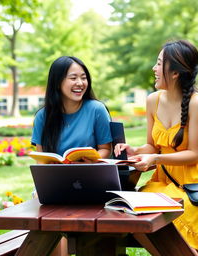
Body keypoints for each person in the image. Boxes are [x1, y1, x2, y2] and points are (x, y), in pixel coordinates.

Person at [115, 39, 198, 255]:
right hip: (163, 181)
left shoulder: (197, 103)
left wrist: (157, 159)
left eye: (159, 63)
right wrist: (135, 150)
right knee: (140, 216)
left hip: (196, 184)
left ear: (175, 72)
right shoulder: (153, 100)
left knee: (172, 228)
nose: (154, 68)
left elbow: (194, 155)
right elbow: (152, 146)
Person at [31, 56, 113, 256]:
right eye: (73, 78)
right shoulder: (43, 116)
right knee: (44, 217)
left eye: (83, 77)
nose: (80, 83)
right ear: (58, 82)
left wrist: (93, 158)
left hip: (91, 180)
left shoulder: (96, 109)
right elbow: (41, 157)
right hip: (55, 183)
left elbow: (106, 149)